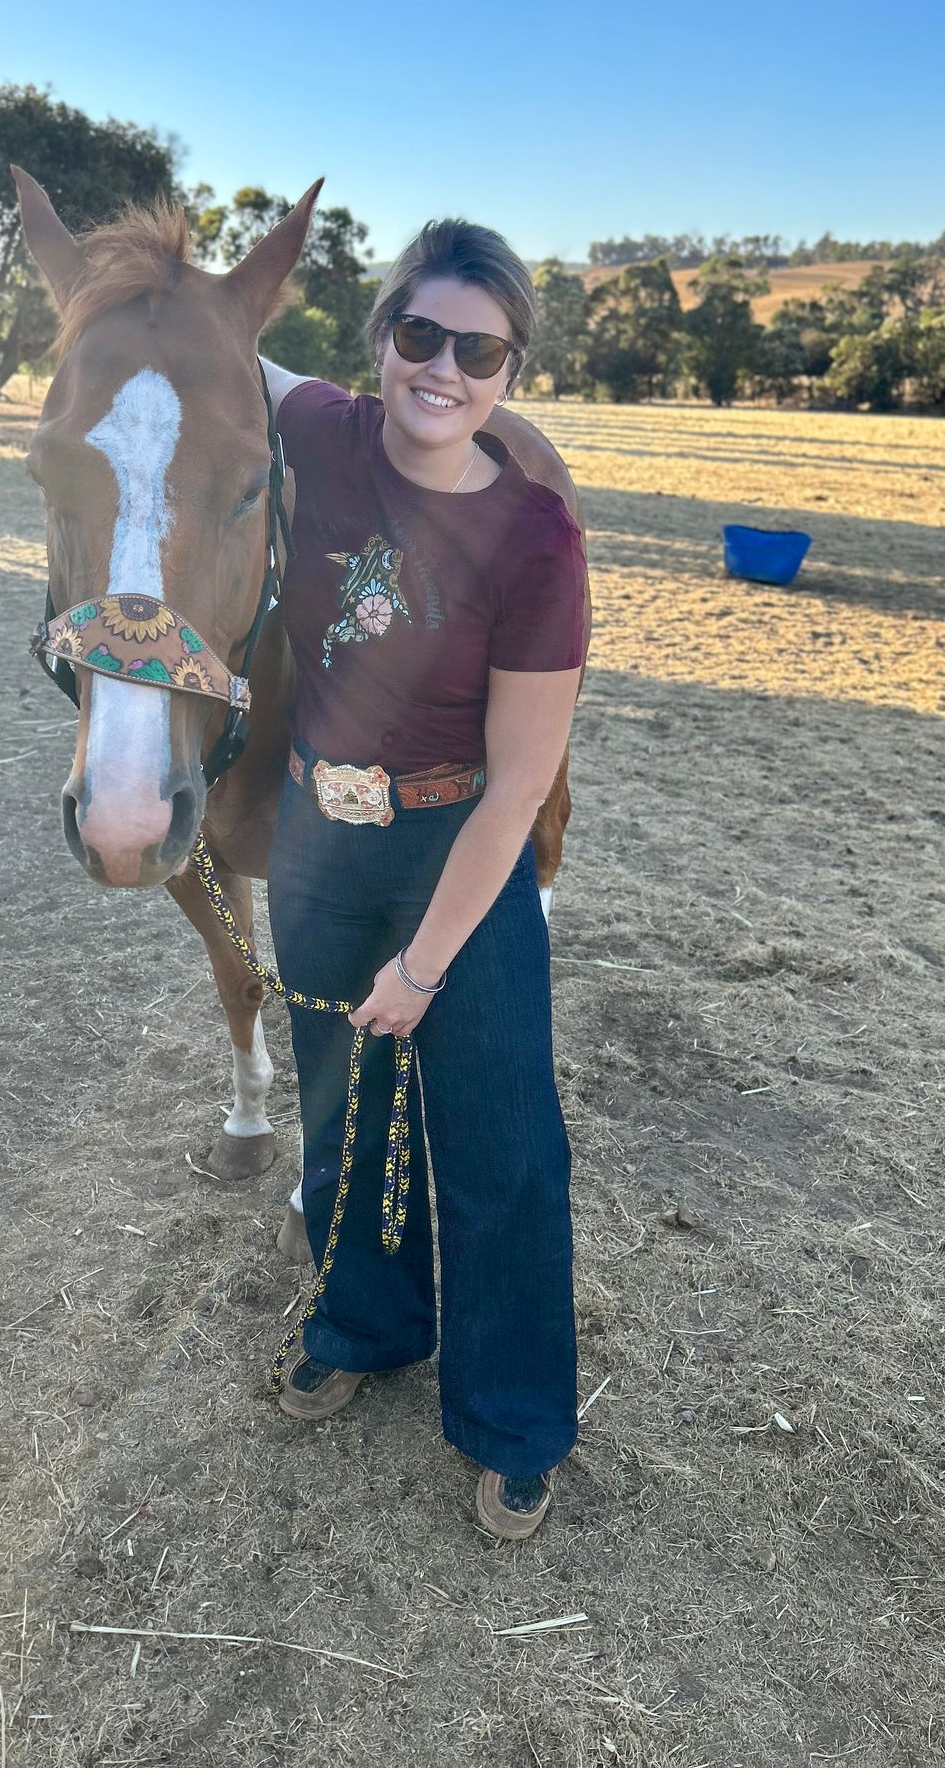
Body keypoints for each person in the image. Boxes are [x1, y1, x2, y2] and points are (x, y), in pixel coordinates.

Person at [261, 217, 588, 1540]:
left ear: (508, 373)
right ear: (381, 336)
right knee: (340, 1109)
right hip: (315, 845)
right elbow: (210, 348)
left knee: (499, 1143)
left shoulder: (534, 544)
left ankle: (512, 1416)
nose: (441, 370)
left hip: (460, 854)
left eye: (479, 350)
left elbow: (517, 785)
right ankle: (359, 1323)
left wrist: (422, 965)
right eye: (419, 336)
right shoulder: (327, 435)